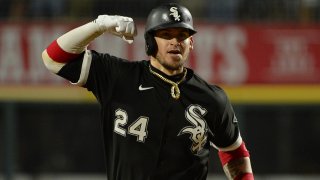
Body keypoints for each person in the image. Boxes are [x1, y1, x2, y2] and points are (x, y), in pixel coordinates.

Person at [42, 3, 254, 180]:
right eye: (166, 34)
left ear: (191, 43)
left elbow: (234, 151)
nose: (175, 41)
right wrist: (99, 26)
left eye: (182, 35)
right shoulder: (120, 77)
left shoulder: (211, 98)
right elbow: (53, 58)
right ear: (151, 41)